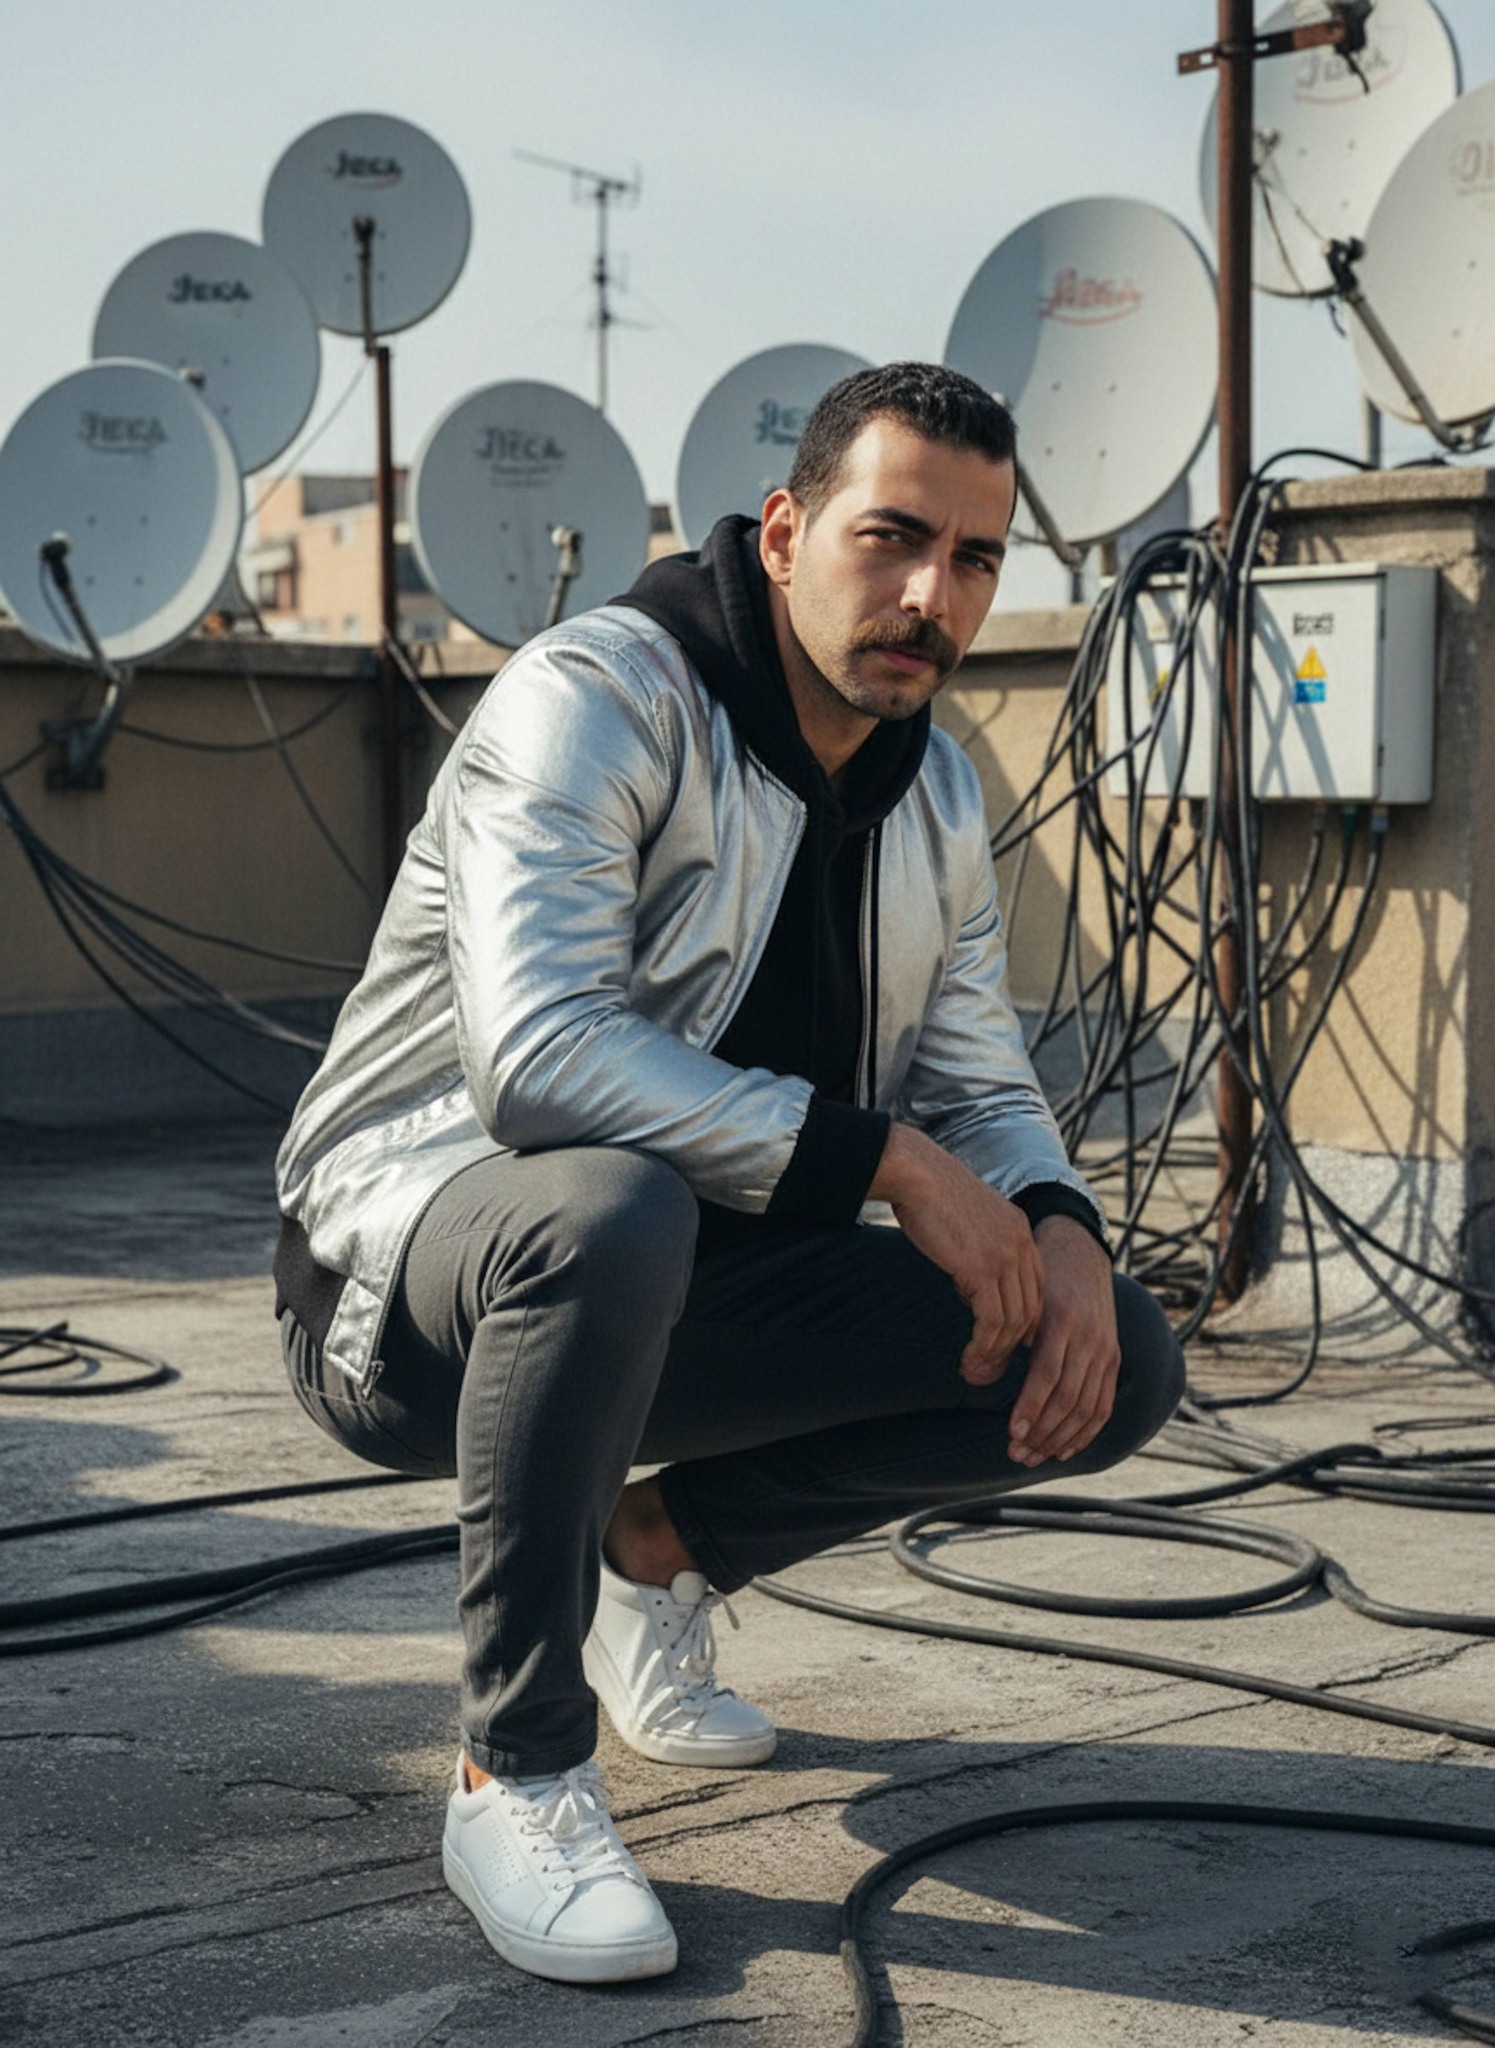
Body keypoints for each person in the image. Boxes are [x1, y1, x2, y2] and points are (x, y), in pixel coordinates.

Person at [273, 362, 1184, 1986]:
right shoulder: (593, 697)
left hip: (687, 1284)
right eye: (892, 536)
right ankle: (520, 1768)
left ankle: (653, 1553)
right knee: (608, 1205)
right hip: (415, 1267)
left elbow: (981, 1081)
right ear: (784, 532)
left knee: (1106, 1346)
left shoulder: (938, 792)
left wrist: (1054, 1223)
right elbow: (538, 1059)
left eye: (976, 559)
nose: (930, 595)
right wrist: (886, 1159)